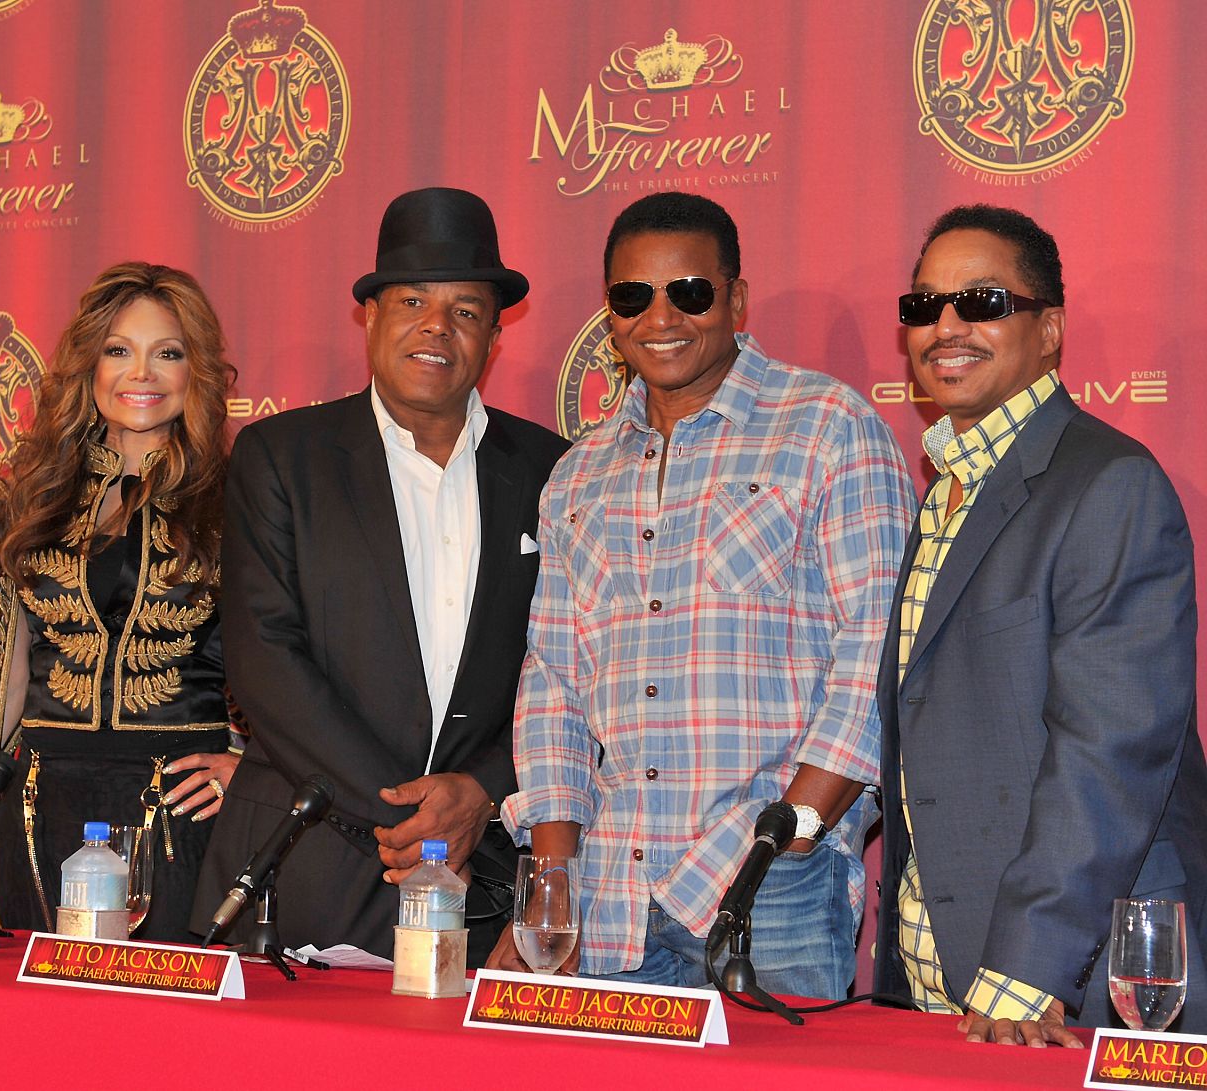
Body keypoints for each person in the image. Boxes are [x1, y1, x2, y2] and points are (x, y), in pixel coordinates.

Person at [495, 193, 914, 998]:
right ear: (609, 313)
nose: (662, 316)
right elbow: (552, 684)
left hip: (771, 886)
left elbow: (877, 647)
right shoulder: (577, 474)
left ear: (737, 300)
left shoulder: (826, 426)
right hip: (608, 894)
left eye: (689, 291)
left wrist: (788, 835)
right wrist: (552, 880)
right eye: (632, 296)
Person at [192, 188, 569, 961]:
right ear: (370, 316)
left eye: (467, 310)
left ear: (495, 338)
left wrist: (481, 792)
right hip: (305, 861)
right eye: (413, 300)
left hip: (483, 872)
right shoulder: (281, 457)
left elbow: (568, 665)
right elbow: (266, 658)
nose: (438, 326)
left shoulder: (554, 470)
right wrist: (415, 819)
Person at [873, 205, 1207, 1043]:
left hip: (1065, 986)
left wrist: (1026, 969)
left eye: (982, 302)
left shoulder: (1109, 485)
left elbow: (1110, 748)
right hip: (940, 978)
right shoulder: (948, 490)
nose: (944, 327)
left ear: (1049, 328)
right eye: (924, 306)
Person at [0, 262, 240, 941]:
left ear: (199, 371)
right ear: (89, 365)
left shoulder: (238, 498)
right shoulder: (25, 495)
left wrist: (254, 767)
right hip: (42, 804)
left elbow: (285, 662)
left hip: (183, 805)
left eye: (169, 353)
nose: (142, 374)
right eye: (119, 350)